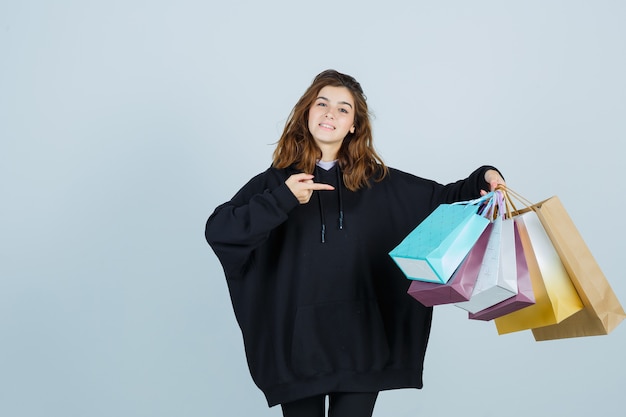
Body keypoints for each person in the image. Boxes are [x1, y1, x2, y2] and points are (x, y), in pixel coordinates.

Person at [205, 69, 505, 417]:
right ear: (307, 113)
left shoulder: (380, 183)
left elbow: (447, 198)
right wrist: (282, 200)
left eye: (343, 108)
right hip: (298, 351)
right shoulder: (274, 184)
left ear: (354, 126)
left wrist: (485, 175)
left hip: (363, 345)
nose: (331, 113)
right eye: (322, 103)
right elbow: (220, 230)